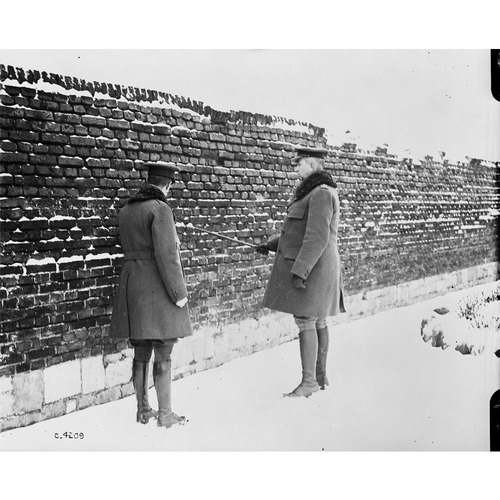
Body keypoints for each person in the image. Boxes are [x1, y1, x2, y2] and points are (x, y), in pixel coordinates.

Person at [256, 146, 346, 398]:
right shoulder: (315, 191)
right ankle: (319, 378)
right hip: (317, 264)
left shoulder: (320, 193)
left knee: (307, 320)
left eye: (299, 163)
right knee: (317, 319)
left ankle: (309, 382)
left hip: (315, 266)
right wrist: (271, 245)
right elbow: (299, 232)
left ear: (312, 164)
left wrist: (301, 271)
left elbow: (317, 237)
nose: (295, 167)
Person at [109, 161, 192, 428]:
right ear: (167, 185)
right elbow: (167, 256)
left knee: (141, 350)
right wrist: (179, 293)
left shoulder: (126, 210)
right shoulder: (161, 208)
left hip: (133, 285)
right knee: (164, 350)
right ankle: (165, 415)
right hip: (157, 286)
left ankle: (143, 410)